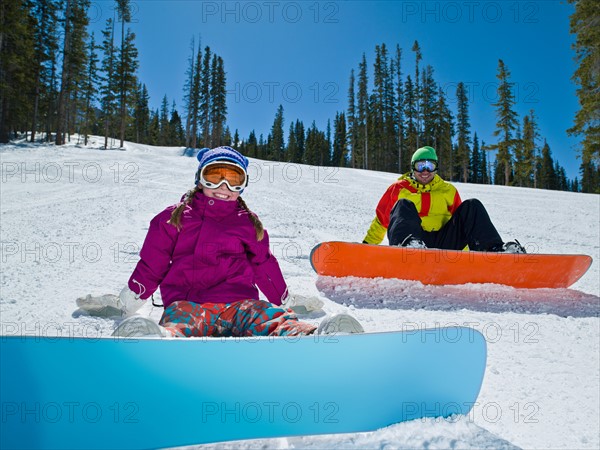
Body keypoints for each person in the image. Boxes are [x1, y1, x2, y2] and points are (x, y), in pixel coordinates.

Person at [109, 146, 363, 338]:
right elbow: (152, 265)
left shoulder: (248, 223)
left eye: (234, 180)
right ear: (200, 179)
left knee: (268, 316)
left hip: (240, 304)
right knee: (179, 321)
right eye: (214, 176)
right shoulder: (171, 219)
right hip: (190, 305)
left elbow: (264, 266)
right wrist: (127, 305)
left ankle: (314, 337)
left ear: (243, 186)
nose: (223, 186)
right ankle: (155, 340)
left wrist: (285, 301)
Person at [362, 146, 525, 253]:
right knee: (403, 205)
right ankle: (408, 247)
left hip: (445, 244)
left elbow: (466, 225)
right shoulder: (398, 189)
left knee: (472, 206)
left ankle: (494, 251)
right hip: (417, 241)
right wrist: (365, 248)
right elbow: (382, 220)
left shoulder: (448, 190)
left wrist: (468, 260)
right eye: (420, 166)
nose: (425, 171)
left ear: (436, 168)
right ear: (413, 167)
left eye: (430, 166)